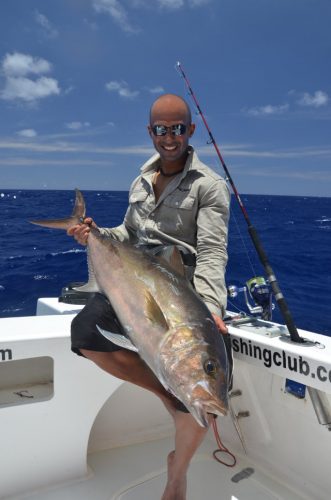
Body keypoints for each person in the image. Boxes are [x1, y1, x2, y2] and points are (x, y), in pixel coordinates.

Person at [68, 93, 231, 500]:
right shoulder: (140, 181)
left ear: (190, 131)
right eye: (161, 129)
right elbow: (128, 235)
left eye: (177, 128)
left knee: (203, 391)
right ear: (151, 133)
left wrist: (210, 309)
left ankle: (178, 475)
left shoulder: (210, 186)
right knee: (84, 332)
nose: (169, 137)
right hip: (134, 279)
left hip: (182, 291)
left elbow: (212, 252)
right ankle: (165, 386)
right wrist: (93, 233)